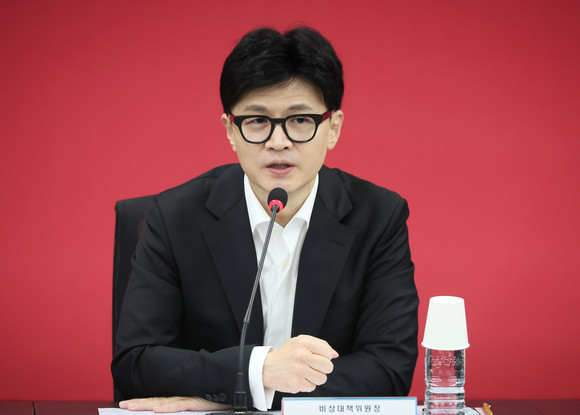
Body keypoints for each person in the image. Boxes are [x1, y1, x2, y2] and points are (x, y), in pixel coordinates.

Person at [111, 26, 419, 413]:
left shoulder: (378, 217)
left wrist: (249, 390)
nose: (278, 142)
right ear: (230, 130)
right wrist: (262, 370)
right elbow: (136, 363)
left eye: (300, 120)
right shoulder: (174, 218)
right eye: (257, 121)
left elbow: (388, 370)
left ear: (333, 128)